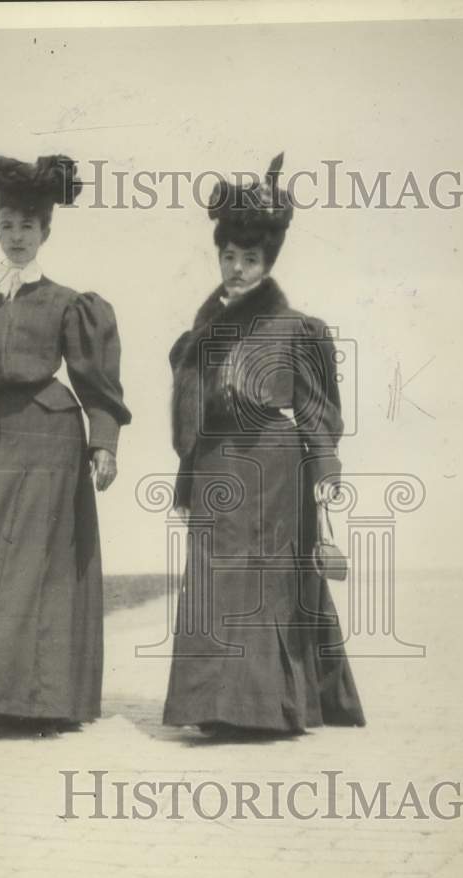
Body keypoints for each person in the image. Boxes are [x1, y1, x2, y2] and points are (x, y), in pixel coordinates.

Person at [162, 154, 365, 738]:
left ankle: (265, 710)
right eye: (228, 257)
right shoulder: (198, 335)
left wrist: (325, 468)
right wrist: (188, 472)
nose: (237, 268)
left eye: (249, 259)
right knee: (213, 585)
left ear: (267, 262)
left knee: (266, 585)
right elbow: (190, 417)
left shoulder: (298, 329)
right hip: (214, 472)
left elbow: (316, 409)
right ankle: (213, 707)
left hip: (275, 471)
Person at [0, 150, 131, 731]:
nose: (17, 237)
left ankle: (41, 700)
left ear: (46, 231)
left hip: (51, 444)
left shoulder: (69, 303)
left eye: (28, 226)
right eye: (7, 226)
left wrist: (105, 444)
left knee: (37, 570)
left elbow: (96, 383)